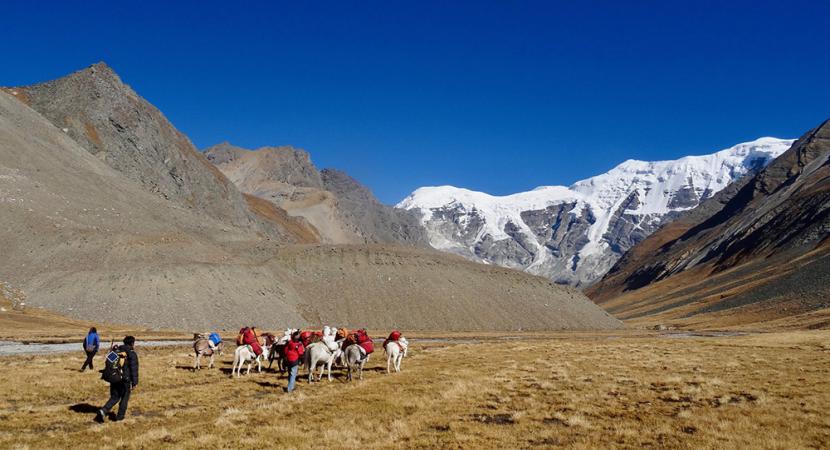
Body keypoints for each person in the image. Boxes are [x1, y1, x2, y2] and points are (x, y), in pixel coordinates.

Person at [97, 336, 139, 422]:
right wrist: (135, 382)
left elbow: (108, 364)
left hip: (114, 377)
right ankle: (120, 417)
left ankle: (103, 410)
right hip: (125, 379)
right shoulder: (131, 353)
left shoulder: (116, 352)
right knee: (124, 397)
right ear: (132, 343)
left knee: (114, 396)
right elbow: (134, 369)